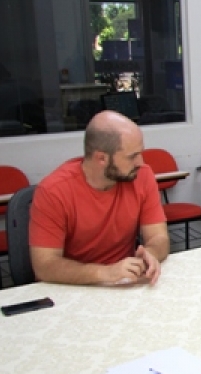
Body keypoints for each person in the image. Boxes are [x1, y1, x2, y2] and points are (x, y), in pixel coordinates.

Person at [29, 111, 170, 285]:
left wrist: (151, 254)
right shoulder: (53, 191)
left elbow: (159, 238)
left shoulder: (141, 175)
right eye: (132, 156)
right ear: (101, 158)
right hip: (70, 287)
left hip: (123, 282)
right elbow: (45, 266)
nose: (140, 162)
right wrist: (104, 273)